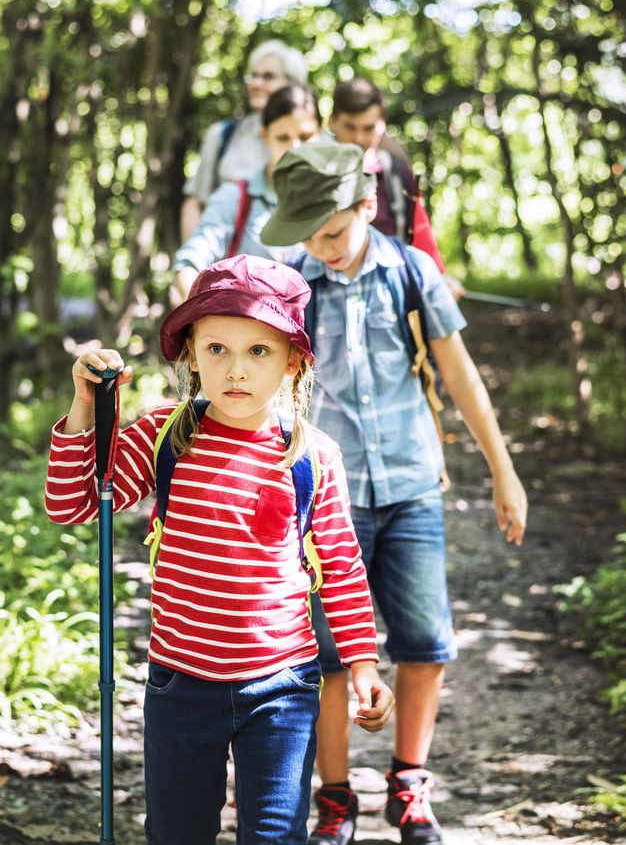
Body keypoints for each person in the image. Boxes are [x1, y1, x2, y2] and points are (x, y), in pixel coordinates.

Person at [44, 254, 397, 845]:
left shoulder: (312, 454)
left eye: (258, 351)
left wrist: (362, 664)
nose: (236, 371)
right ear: (190, 355)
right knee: (178, 833)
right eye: (217, 350)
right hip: (180, 682)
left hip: (282, 686)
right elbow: (73, 503)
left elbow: (339, 565)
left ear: (293, 361)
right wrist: (85, 409)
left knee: (276, 834)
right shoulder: (166, 435)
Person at [259, 144, 529, 845]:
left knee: (424, 643)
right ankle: (336, 797)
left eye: (333, 230)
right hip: (325, 498)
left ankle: (409, 783)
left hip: (411, 484)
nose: (324, 246)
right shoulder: (289, 283)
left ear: (367, 205)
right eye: (310, 234)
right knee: (323, 653)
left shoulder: (411, 273)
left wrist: (503, 469)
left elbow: (459, 374)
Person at [172, 83, 321, 303]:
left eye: (305, 137)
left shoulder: (335, 200)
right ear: (264, 135)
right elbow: (189, 263)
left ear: (321, 134)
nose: (295, 149)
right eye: (283, 138)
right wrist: (203, 319)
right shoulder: (235, 197)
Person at [329, 78, 465, 298]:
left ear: (382, 123)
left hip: (391, 290)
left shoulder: (395, 170)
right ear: (332, 122)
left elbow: (417, 226)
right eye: (350, 127)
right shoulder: (316, 170)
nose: (359, 138)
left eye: (368, 128)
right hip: (330, 290)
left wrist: (437, 276)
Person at [180, 40, 309, 242]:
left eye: (268, 77)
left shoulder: (317, 143)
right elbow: (195, 203)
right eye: (254, 76)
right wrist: (197, 267)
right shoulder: (223, 135)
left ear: (293, 85)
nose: (256, 84)